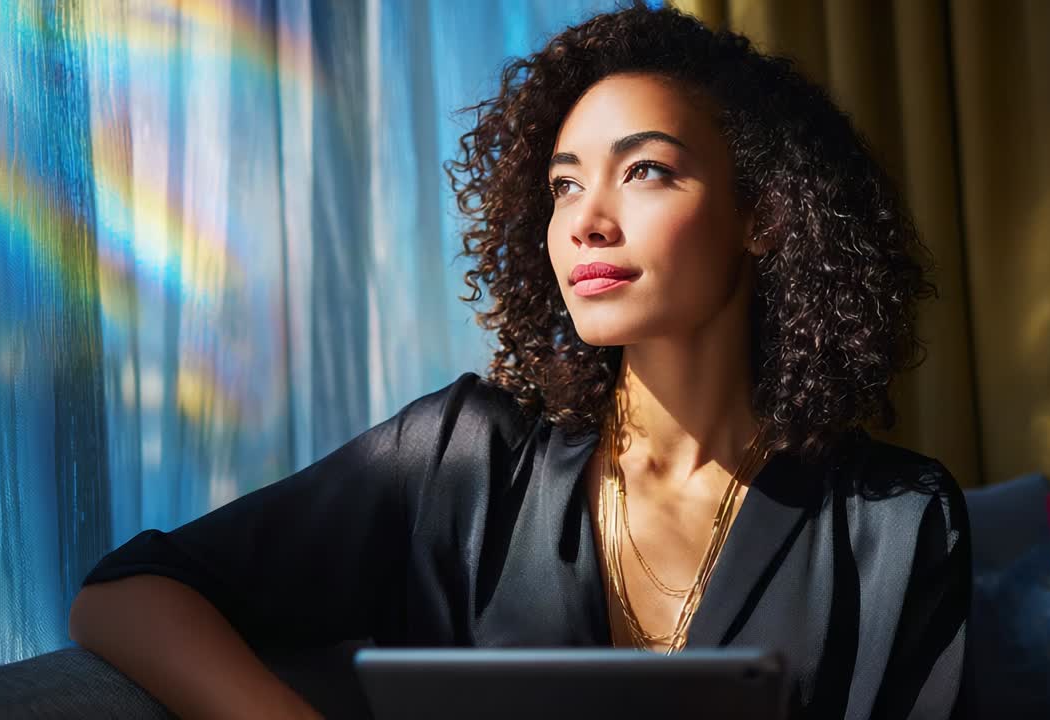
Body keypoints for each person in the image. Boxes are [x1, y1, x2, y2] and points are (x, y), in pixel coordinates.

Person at [69, 5, 971, 719]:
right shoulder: (465, 459)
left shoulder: (893, 524)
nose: (586, 219)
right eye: (565, 184)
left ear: (765, 216)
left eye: (645, 170)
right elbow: (125, 595)